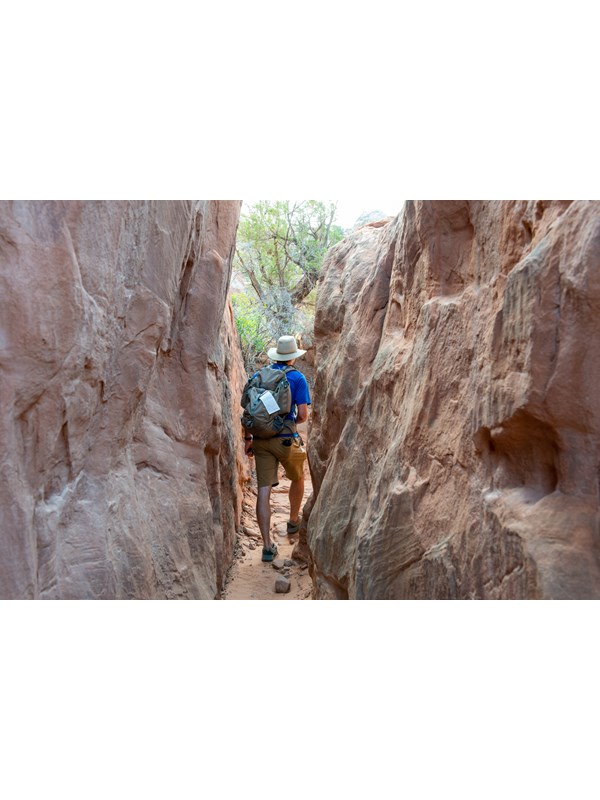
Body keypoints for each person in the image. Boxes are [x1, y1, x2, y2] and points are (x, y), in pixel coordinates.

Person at [243, 335, 311, 562]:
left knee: (264, 489)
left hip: (260, 441)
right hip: (285, 440)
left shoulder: (259, 376)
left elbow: (249, 410)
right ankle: (293, 521)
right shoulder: (298, 378)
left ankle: (267, 546)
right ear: (293, 357)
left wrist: (249, 438)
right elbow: (302, 415)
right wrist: (285, 423)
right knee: (298, 477)